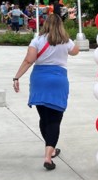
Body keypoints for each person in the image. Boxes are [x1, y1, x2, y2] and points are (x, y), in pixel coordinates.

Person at [12, 12, 80, 170]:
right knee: (55, 120)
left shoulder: (37, 40)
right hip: (58, 80)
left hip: (39, 81)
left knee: (44, 118)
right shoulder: (65, 41)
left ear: (45, 25)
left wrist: (17, 77)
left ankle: (50, 148)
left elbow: (29, 60)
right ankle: (48, 155)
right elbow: (75, 51)